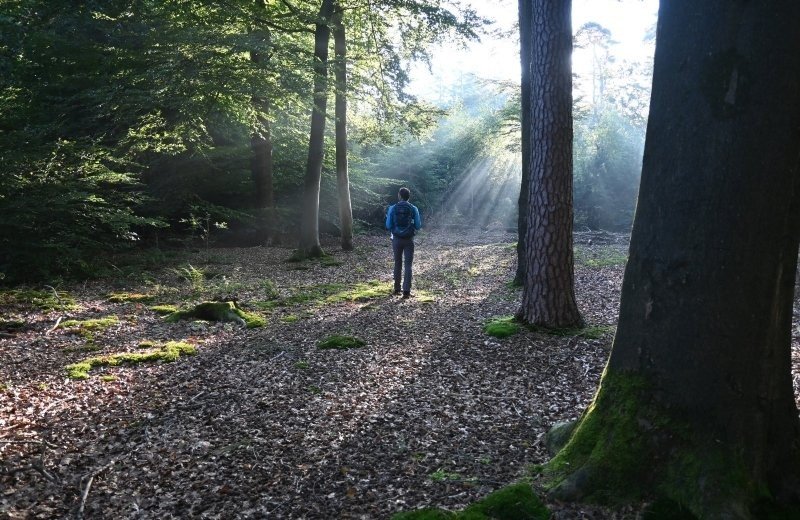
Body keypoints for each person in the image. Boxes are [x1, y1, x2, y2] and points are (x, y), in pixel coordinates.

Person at [385, 187, 422, 298]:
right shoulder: (413, 208)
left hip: (396, 239)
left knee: (397, 262)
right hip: (409, 240)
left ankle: (397, 289)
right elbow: (418, 225)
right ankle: (406, 291)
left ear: (399, 196)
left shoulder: (392, 208)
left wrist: (396, 229)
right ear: (408, 196)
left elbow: (388, 225)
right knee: (408, 265)